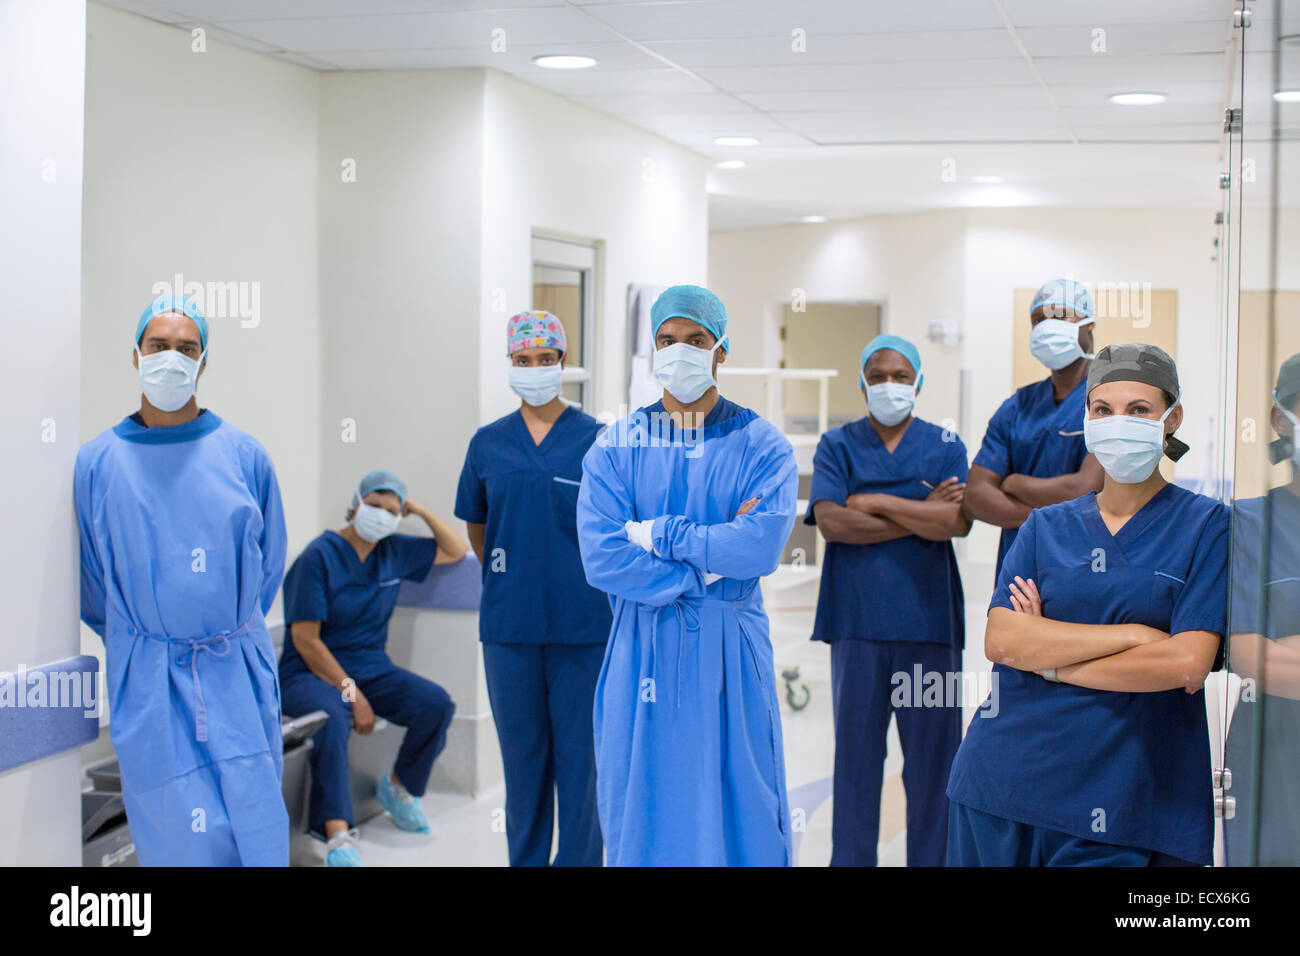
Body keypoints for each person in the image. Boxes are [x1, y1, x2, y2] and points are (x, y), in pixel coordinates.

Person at [947, 344, 1227, 866]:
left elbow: (1185, 663)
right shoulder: (1045, 525)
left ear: (1172, 419)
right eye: (1103, 410)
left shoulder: (1207, 526)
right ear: (1088, 420)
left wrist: (1048, 657)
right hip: (999, 784)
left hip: (1125, 799)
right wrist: (1134, 636)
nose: (1118, 422)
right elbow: (1003, 641)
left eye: (1139, 410)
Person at [577, 284, 799, 866]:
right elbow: (603, 557)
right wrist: (703, 572)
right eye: (667, 341)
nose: (680, 352)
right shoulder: (615, 447)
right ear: (652, 350)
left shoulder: (763, 447)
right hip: (642, 647)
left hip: (731, 648)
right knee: (644, 797)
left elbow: (758, 549)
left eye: (695, 340)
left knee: (741, 797)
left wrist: (661, 535)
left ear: (721, 349)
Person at [76, 295, 289, 866]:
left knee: (256, 826)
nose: (172, 358)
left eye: (186, 348)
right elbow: (94, 586)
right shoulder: (97, 464)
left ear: (203, 361)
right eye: (159, 346)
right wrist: (147, 644)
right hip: (147, 679)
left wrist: (221, 627)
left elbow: (268, 566)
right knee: (179, 840)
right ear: (136, 355)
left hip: (236, 672)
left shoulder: (244, 456)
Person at [454, 310, 613, 867]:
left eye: (546, 360)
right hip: (510, 631)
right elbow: (479, 530)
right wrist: (512, 573)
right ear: (510, 365)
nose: (535, 369)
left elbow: (615, 529)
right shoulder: (487, 445)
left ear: (563, 363)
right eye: (524, 361)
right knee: (522, 769)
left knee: (582, 768)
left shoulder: (598, 440)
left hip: (585, 629)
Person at [805, 334, 970, 867]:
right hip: (857, 625)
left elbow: (955, 522)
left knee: (933, 765)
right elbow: (832, 523)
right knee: (856, 763)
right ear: (862, 383)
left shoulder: (945, 444)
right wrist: (919, 510)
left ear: (918, 382)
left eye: (901, 376)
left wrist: (873, 500)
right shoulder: (836, 444)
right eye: (878, 376)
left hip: (929, 626)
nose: (889, 385)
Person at [279, 469, 467, 866]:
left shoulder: (394, 550)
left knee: (436, 705)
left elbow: (454, 549)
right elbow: (306, 641)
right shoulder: (318, 557)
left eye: (391, 509)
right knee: (332, 716)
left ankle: (398, 788)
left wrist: (419, 510)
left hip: (371, 667)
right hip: (309, 672)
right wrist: (352, 694)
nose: (381, 514)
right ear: (356, 505)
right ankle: (337, 835)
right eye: (374, 505)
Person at [965, 278, 1105, 579]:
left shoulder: (1108, 400)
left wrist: (1013, 483)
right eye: (1038, 320)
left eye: (1059, 315)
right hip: (1019, 565)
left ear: (1089, 325)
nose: (1046, 326)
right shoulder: (1017, 406)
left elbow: (1086, 489)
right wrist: (1047, 520)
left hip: (1085, 563)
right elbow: (976, 495)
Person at [1224, 353, 1300, 865]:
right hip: (1275, 763)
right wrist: (1272, 655)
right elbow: (1250, 656)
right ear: (1280, 418)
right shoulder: (1251, 524)